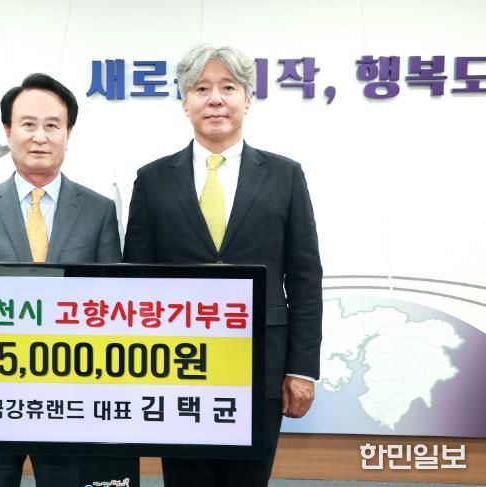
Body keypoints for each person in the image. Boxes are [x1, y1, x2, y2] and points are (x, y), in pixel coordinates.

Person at [123, 44, 322, 487]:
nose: (215, 99)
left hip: (261, 367)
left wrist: (302, 368)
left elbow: (305, 278)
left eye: (228, 87)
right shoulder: (152, 180)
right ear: (185, 102)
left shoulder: (285, 176)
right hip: (176, 368)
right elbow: (136, 280)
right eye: (201, 88)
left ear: (247, 99)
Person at [0, 73, 122, 487]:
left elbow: (115, 308)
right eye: (28, 124)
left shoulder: (98, 211)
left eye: (52, 125)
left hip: (74, 395)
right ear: (8, 131)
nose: (40, 136)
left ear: (68, 133)